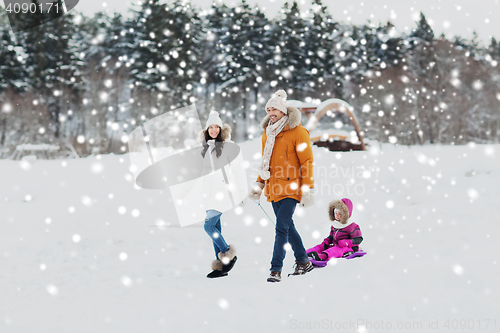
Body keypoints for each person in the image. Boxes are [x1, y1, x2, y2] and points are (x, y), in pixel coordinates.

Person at [249, 89, 315, 283]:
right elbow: (265, 162)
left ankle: (275, 269)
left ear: (283, 110)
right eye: (268, 109)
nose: (271, 112)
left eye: (274, 109)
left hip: (291, 188)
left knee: (281, 228)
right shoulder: (267, 134)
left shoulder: (298, 132)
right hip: (273, 188)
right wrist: (259, 185)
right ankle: (303, 261)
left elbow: (307, 162)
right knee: (288, 227)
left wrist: (308, 189)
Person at [201, 111, 238, 278]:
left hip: (221, 194)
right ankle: (221, 268)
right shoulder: (207, 148)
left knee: (208, 226)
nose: (214, 130)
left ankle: (228, 254)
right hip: (209, 195)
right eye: (211, 127)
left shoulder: (226, 146)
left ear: (221, 129)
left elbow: (233, 171)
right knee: (215, 227)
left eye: (216, 127)